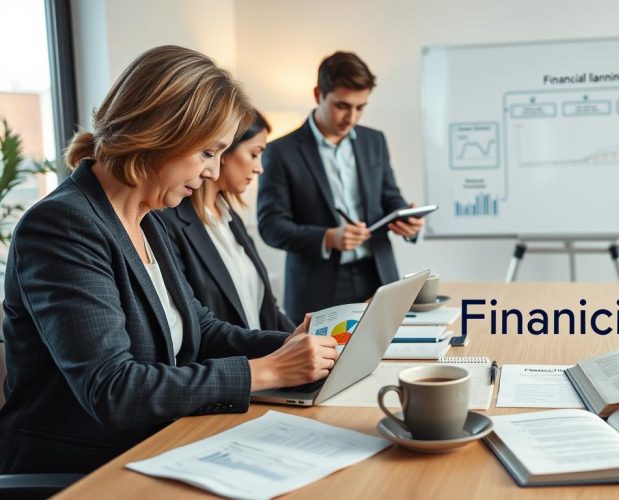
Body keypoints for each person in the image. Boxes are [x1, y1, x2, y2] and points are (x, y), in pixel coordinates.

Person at [0, 46, 338, 474]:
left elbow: (201, 329)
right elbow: (113, 389)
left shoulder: (148, 219)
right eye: (208, 153)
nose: (213, 172)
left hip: (160, 443)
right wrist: (267, 371)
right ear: (161, 133)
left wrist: (290, 346)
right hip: (83, 469)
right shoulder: (63, 225)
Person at [258, 51, 424, 323]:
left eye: (360, 107)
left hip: (378, 276)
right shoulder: (280, 151)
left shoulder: (374, 141)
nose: (352, 118)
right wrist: (328, 237)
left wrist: (406, 218)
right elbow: (271, 227)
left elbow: (389, 196)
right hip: (316, 287)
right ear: (318, 95)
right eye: (343, 106)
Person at [158, 111, 294, 332]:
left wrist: (298, 337)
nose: (259, 168)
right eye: (254, 154)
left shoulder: (232, 219)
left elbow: (267, 307)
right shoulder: (168, 223)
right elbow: (196, 324)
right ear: (224, 151)